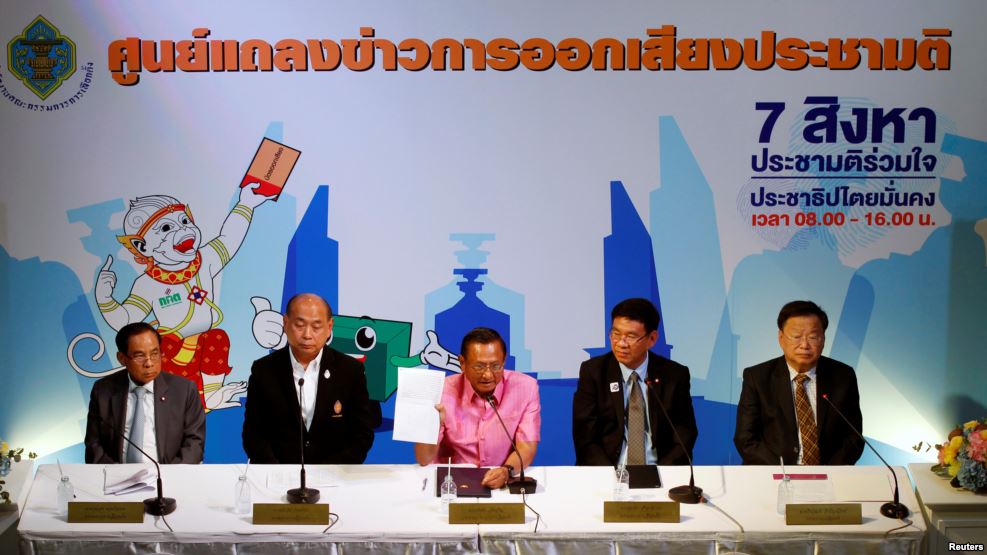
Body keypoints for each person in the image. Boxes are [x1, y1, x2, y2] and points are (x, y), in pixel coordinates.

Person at [242, 293, 375, 463]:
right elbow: (253, 434)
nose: (307, 334)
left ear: (329, 327)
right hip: (277, 474)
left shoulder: (350, 370)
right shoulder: (264, 370)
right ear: (285, 323)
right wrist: (277, 472)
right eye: (299, 325)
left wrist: (334, 471)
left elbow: (362, 433)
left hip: (334, 474)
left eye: (316, 326)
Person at [734, 300, 864, 465]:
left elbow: (854, 438)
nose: (804, 345)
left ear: (823, 339)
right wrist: (784, 472)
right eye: (796, 337)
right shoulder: (758, 377)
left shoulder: (843, 376)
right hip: (773, 474)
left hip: (829, 474)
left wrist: (828, 472)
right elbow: (745, 439)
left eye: (813, 337)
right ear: (781, 338)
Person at [572, 298, 697, 466]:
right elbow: (585, 437)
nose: (621, 343)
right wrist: (611, 476)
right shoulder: (594, 372)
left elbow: (684, 433)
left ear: (652, 338)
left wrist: (662, 474)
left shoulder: (674, 375)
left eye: (631, 336)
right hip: (608, 471)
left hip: (660, 471)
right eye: (616, 334)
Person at [414, 327, 540, 489]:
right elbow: (423, 458)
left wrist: (506, 471)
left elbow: (527, 447)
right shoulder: (440, 392)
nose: (488, 375)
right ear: (462, 363)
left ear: (504, 361)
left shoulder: (525, 388)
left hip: (500, 482)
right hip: (451, 483)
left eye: (496, 366)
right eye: (479, 367)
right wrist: (433, 427)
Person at [84, 322, 206, 464]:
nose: (149, 363)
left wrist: (168, 474)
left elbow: (194, 443)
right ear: (122, 358)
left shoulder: (184, 390)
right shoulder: (103, 390)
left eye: (155, 354)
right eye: (139, 356)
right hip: (116, 475)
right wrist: (116, 473)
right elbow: (94, 444)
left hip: (168, 474)